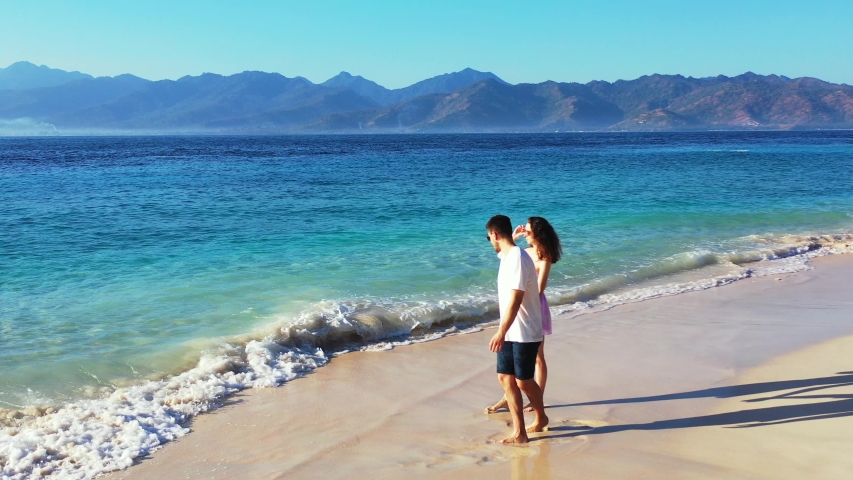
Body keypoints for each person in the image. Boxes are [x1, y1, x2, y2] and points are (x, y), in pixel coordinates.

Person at [485, 216, 562, 414]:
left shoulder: (544, 255)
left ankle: (537, 400)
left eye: (528, 230)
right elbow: (504, 253)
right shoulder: (522, 252)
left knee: (537, 358)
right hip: (518, 307)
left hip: (533, 307)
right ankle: (510, 398)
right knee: (512, 371)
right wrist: (513, 237)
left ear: (538, 233)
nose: (525, 232)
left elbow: (539, 287)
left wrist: (522, 296)